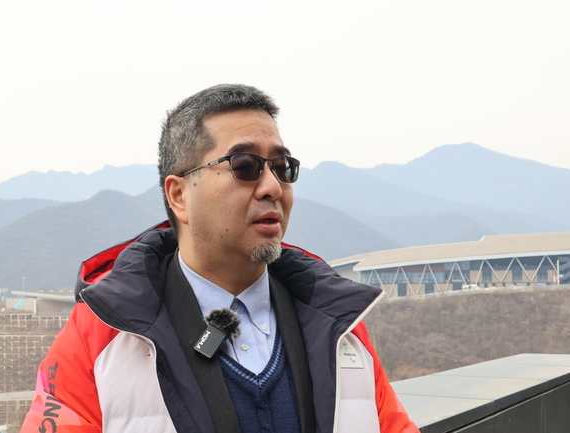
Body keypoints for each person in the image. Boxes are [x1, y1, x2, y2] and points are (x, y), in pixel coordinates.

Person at [21, 84, 419, 433]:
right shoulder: (102, 334)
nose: (272, 187)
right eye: (244, 165)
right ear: (179, 195)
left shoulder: (339, 324)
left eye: (281, 167)